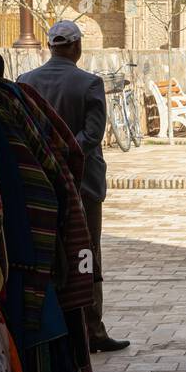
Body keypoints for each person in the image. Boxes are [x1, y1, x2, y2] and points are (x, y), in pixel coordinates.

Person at [18, 21, 129, 353]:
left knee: (47, 252)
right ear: (77, 47)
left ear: (51, 46)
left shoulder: (26, 83)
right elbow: (92, 136)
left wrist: (49, 159)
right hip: (83, 184)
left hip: (40, 182)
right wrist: (67, 157)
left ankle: (52, 326)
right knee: (86, 252)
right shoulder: (90, 84)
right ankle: (92, 328)